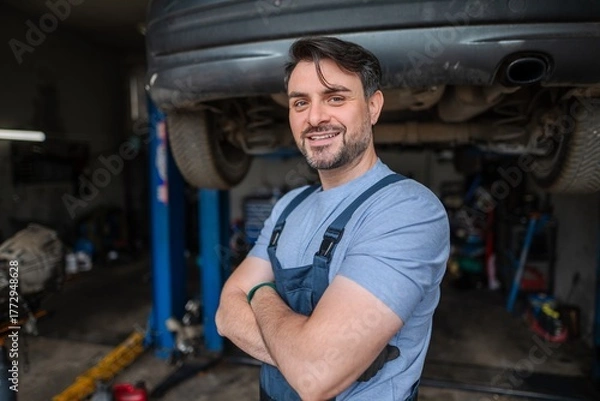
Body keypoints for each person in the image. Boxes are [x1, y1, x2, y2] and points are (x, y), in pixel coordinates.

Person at [215, 36, 449, 401]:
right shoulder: (289, 206)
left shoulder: (409, 211)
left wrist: (260, 293)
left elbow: (316, 374)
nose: (315, 117)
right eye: (300, 103)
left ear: (373, 107)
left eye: (336, 98)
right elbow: (226, 313)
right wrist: (299, 351)